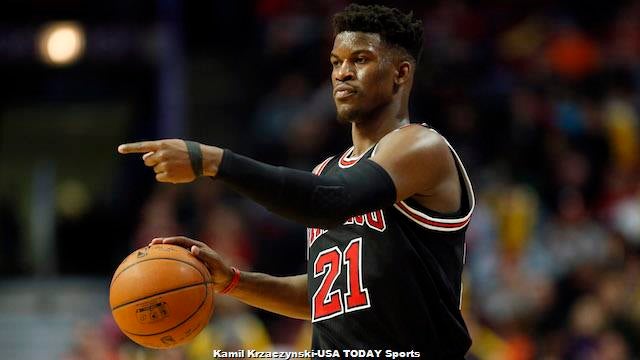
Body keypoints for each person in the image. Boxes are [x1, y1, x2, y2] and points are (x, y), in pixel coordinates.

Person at [118, 4, 474, 358]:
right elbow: (324, 297)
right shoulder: (325, 173)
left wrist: (212, 160)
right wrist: (234, 281)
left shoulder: (422, 146)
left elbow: (329, 201)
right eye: (336, 62)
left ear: (400, 72)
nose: (342, 73)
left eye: (360, 60)